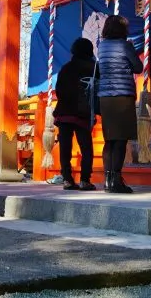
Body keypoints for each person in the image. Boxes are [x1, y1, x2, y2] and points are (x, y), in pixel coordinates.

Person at [96, 15, 141, 194]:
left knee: (109, 140)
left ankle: (107, 180)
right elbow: (138, 67)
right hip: (123, 95)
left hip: (105, 97)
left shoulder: (101, 46)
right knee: (121, 140)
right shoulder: (125, 46)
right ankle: (116, 180)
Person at [54, 37, 97, 191]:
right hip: (82, 112)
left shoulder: (66, 68)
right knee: (86, 147)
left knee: (65, 147)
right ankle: (85, 180)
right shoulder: (93, 68)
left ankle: (67, 179)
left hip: (64, 111)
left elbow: (58, 90)